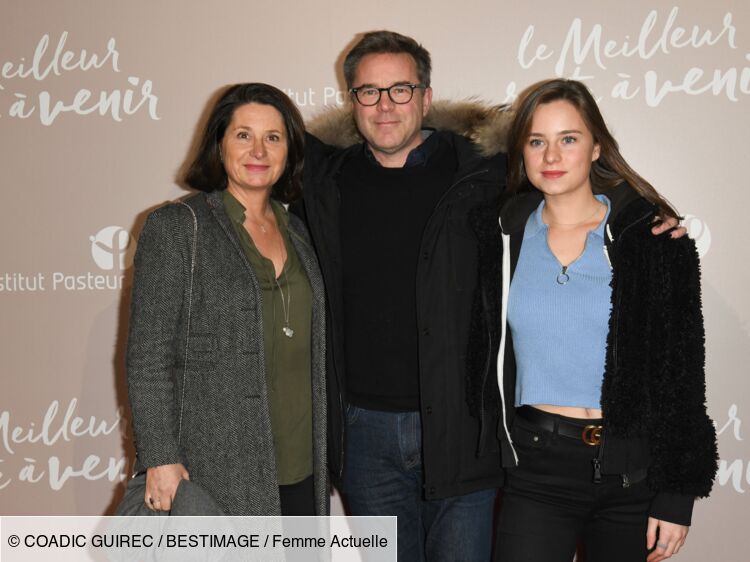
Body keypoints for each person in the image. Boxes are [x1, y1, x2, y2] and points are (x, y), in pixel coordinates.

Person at [295, 32, 685, 560]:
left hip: (467, 431)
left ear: (427, 97)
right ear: (352, 101)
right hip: (365, 438)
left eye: (401, 89)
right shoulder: (321, 184)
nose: (385, 105)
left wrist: (643, 217)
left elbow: (569, 184)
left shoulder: (480, 179)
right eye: (369, 91)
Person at [467, 78, 717, 562]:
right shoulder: (499, 237)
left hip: (631, 474)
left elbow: (681, 373)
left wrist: (676, 496)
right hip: (536, 469)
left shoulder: (650, 239)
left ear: (597, 146)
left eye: (569, 139)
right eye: (536, 141)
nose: (551, 155)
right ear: (521, 152)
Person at [125, 83, 328, 516]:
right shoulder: (178, 227)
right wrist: (159, 458)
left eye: (273, 137)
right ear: (219, 145)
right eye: (243, 135)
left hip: (301, 468)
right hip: (213, 471)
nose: (258, 149)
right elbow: (148, 357)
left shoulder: (300, 232)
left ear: (289, 151)